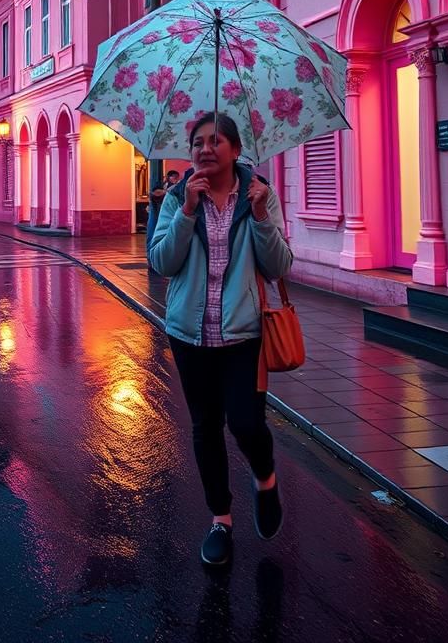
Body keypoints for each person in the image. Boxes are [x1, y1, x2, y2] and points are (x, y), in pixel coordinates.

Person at [149, 112, 293, 567]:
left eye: (215, 141)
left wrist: (262, 217)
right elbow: (162, 263)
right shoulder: (176, 198)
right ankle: (221, 518)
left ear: (234, 149)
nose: (204, 149)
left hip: (244, 334)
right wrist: (187, 214)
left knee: (247, 424)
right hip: (189, 337)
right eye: (197, 143)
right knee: (205, 427)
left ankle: (265, 478)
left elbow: (279, 266)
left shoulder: (258, 195)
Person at [145, 169, 182, 269]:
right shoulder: (163, 186)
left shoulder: (177, 187)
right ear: (168, 177)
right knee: (152, 233)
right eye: (173, 177)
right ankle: (151, 258)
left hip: (166, 214)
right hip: (156, 212)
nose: (175, 179)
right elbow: (154, 193)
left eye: (176, 177)